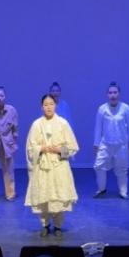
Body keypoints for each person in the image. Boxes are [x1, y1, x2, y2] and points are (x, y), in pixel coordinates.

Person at [25, 94, 79, 237]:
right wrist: (40, 148)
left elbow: (73, 147)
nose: (48, 107)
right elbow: (30, 148)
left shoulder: (63, 123)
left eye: (51, 104)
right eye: (45, 104)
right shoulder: (36, 124)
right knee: (43, 195)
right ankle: (45, 224)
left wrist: (60, 150)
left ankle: (58, 226)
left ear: (55, 106)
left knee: (58, 196)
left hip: (59, 165)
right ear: (42, 107)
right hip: (42, 166)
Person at [93, 81, 129, 199]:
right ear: (107, 94)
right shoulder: (102, 109)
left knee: (122, 169)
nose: (113, 95)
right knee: (98, 166)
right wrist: (96, 144)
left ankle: (123, 191)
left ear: (119, 94)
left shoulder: (126, 108)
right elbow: (98, 127)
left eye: (115, 92)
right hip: (105, 144)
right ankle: (101, 189)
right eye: (110, 93)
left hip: (121, 145)